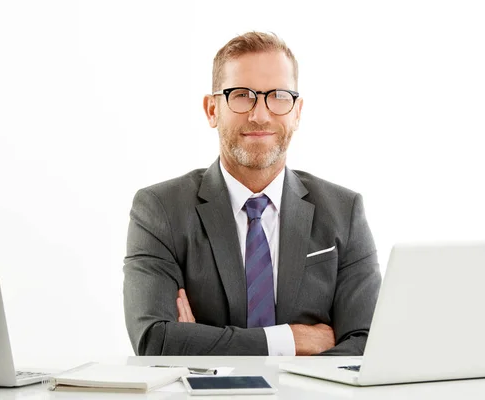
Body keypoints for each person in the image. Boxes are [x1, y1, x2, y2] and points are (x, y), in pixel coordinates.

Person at [123, 32, 381, 356]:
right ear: (211, 109)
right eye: (242, 95)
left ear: (297, 112)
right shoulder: (160, 211)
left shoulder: (345, 212)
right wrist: (290, 341)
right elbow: (155, 341)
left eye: (278, 96)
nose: (260, 114)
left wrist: (200, 343)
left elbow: (369, 345)